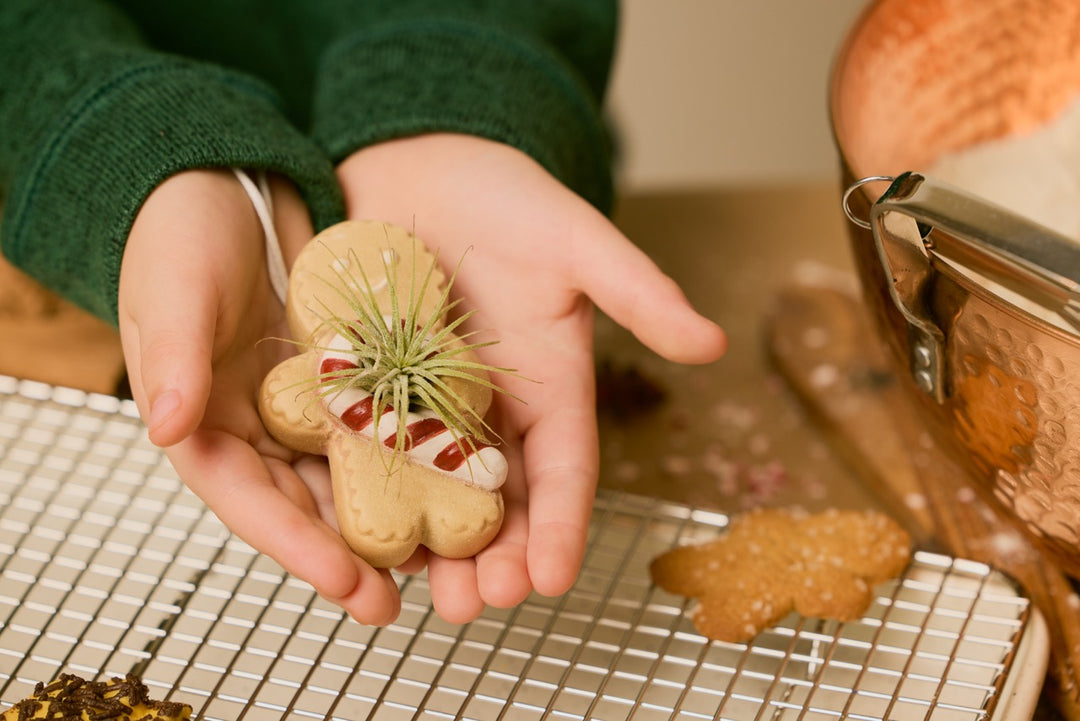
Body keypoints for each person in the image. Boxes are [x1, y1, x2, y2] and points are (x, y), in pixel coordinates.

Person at [0, 1, 726, 625]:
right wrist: (110, 138)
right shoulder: (315, 381)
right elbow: (294, 395)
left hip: (492, 119)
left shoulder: (446, 366)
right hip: (55, 228)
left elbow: (461, 386)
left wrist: (458, 93)